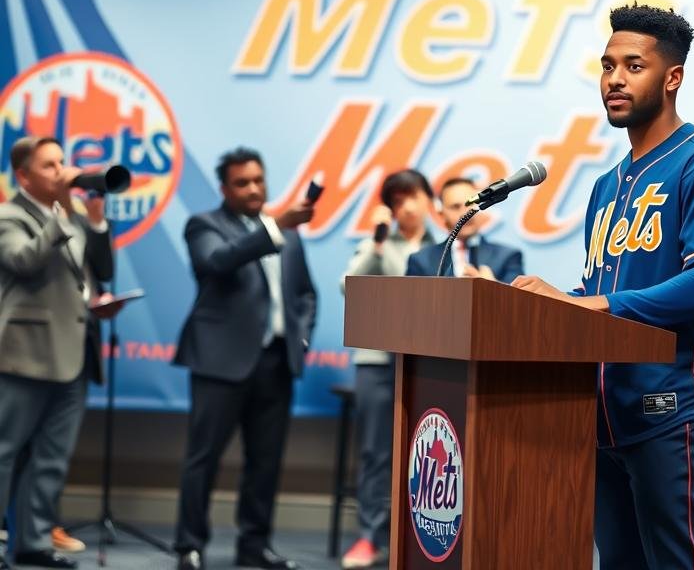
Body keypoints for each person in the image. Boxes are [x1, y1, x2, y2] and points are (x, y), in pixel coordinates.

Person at [512, 4, 694, 569]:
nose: (615, 79)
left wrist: (597, 304)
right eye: (607, 65)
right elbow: (608, 290)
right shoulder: (606, 184)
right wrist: (556, 302)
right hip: (602, 413)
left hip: (672, 407)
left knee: (676, 562)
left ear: (672, 78)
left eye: (633, 66)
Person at [172, 147, 317, 570]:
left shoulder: (287, 232)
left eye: (258, 179)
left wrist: (300, 338)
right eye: (242, 182)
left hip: (275, 362)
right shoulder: (205, 225)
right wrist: (275, 227)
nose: (253, 188)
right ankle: (189, 546)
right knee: (204, 458)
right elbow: (216, 262)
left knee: (266, 461)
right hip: (221, 362)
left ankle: (254, 545)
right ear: (224, 188)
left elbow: (305, 294)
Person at [0, 136, 113, 570]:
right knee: (5, 450)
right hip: (24, 353)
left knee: (52, 455)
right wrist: (66, 213)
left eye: (62, 163)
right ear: (23, 175)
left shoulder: (68, 217)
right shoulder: (9, 216)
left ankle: (34, 541)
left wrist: (97, 224)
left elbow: (101, 271)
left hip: (75, 352)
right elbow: (24, 260)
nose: (61, 171)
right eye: (49, 166)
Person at [339, 170, 434, 570]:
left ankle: (422, 536)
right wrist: (377, 239)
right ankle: (370, 537)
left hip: (428, 360)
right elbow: (350, 285)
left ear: (429, 199)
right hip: (378, 360)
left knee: (429, 454)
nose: (407, 206)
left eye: (413, 196)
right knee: (376, 452)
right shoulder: (377, 245)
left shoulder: (444, 246)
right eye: (397, 200)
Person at [405, 177, 524, 282]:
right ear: (441, 215)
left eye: (471, 203)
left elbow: (520, 303)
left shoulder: (508, 256)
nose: (465, 212)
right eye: (455, 207)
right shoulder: (420, 260)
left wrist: (492, 286)